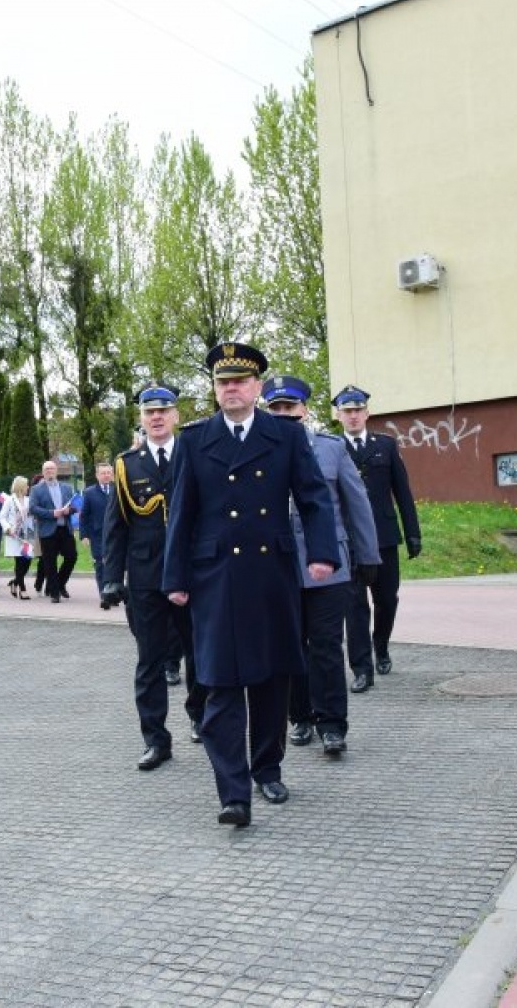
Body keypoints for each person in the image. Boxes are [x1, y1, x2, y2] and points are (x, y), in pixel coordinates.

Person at [162, 342, 339, 827]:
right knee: (219, 684)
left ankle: (267, 767)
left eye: (240, 381)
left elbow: (313, 498)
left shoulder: (284, 435)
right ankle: (233, 794)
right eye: (223, 382)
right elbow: (182, 513)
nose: (231, 389)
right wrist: (174, 577)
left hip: (270, 574)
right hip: (214, 577)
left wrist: (323, 552)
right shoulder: (195, 441)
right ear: (215, 390)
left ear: (258, 387)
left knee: (270, 679)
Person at [263, 376, 381, 756]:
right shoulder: (259, 452)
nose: (284, 415)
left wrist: (368, 557)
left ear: (304, 410)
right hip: (280, 566)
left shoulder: (331, 449)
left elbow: (357, 503)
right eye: (276, 408)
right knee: (290, 646)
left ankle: (332, 725)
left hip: (329, 565)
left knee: (327, 646)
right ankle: (300, 717)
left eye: (290, 408)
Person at [102, 385, 207, 772]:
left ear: (176, 415)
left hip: (192, 573)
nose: (157, 418)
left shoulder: (193, 453)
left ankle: (200, 717)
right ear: (142, 419)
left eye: (164, 411)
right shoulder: (127, 464)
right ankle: (155, 740)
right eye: (150, 413)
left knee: (199, 653)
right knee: (149, 660)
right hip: (146, 578)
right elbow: (115, 527)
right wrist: (111, 579)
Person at [335, 384, 421, 690]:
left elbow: (403, 493)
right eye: (348, 411)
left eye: (358, 411)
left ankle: (380, 645)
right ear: (338, 415)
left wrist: (413, 533)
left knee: (387, 599)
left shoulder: (385, 445)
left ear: (367, 413)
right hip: (349, 540)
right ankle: (361, 668)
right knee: (354, 605)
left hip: (384, 538)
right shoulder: (332, 448)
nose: (354, 416)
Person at [30, 460, 79, 603]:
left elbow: (74, 506)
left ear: (56, 471)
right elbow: (33, 508)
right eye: (47, 469)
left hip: (65, 528)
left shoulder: (67, 488)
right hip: (47, 530)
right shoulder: (36, 490)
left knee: (71, 556)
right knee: (50, 562)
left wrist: (68, 510)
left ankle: (59, 583)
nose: (49, 471)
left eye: (52, 469)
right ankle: (55, 593)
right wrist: (52, 513)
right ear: (43, 472)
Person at [0, 475, 36, 599]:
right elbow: (1, 517)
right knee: (19, 562)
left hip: (28, 535)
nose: (28, 487)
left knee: (27, 561)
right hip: (15, 535)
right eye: (26, 485)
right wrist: (7, 528)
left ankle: (15, 582)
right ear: (21, 486)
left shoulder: (29, 500)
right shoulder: (10, 500)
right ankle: (22, 589)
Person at [81, 461, 115, 593]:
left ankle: (113, 590)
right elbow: (84, 515)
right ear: (97, 475)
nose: (106, 475)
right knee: (100, 564)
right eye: (103, 473)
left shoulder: (117, 490)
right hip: (97, 535)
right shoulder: (89, 493)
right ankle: (104, 594)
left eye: (108, 473)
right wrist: (84, 535)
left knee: (113, 564)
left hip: (115, 534)